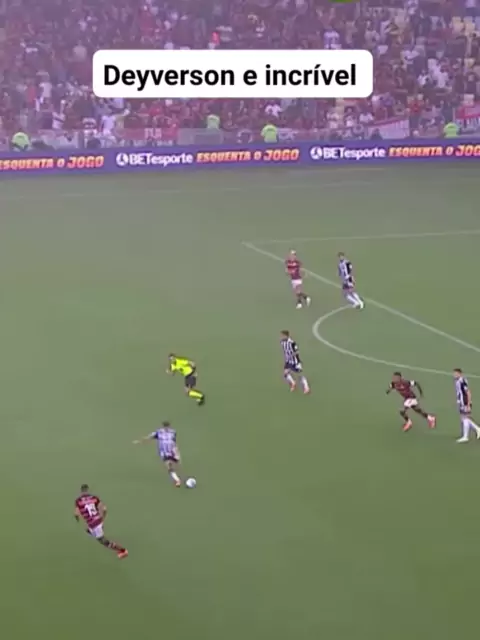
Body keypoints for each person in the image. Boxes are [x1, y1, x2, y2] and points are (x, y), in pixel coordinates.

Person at [74, 484, 128, 559]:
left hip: (93, 524)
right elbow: (104, 509)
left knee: (103, 541)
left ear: (81, 491)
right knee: (90, 530)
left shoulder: (78, 501)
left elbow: (76, 514)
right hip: (97, 521)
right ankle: (92, 530)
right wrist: (102, 519)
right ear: (88, 490)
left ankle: (123, 551)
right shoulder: (94, 498)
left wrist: (77, 519)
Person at [133, 421, 182, 486]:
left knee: (177, 463)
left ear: (169, 426)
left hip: (172, 451)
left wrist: (177, 451)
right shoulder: (158, 432)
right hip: (164, 453)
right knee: (169, 466)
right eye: (165, 427)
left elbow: (174, 442)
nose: (166, 428)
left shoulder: (173, 432)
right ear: (163, 426)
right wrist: (139, 441)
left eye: (167, 427)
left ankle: (178, 477)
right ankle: (177, 480)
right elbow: (149, 437)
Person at [453, 368, 480, 443]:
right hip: (462, 402)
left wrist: (468, 404)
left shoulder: (462, 381)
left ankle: (466, 436)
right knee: (464, 418)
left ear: (460, 374)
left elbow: (468, 392)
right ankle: (477, 429)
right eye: (454, 374)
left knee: (465, 418)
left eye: (456, 374)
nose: (454, 375)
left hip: (465, 402)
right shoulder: (457, 381)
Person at [280, 330, 310, 394]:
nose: (281, 337)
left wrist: (294, 357)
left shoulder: (292, 343)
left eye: (282, 335)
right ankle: (293, 383)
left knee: (299, 375)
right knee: (285, 374)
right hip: (288, 361)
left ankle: (306, 387)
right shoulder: (282, 342)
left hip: (295, 361)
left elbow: (297, 351)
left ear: (286, 335)